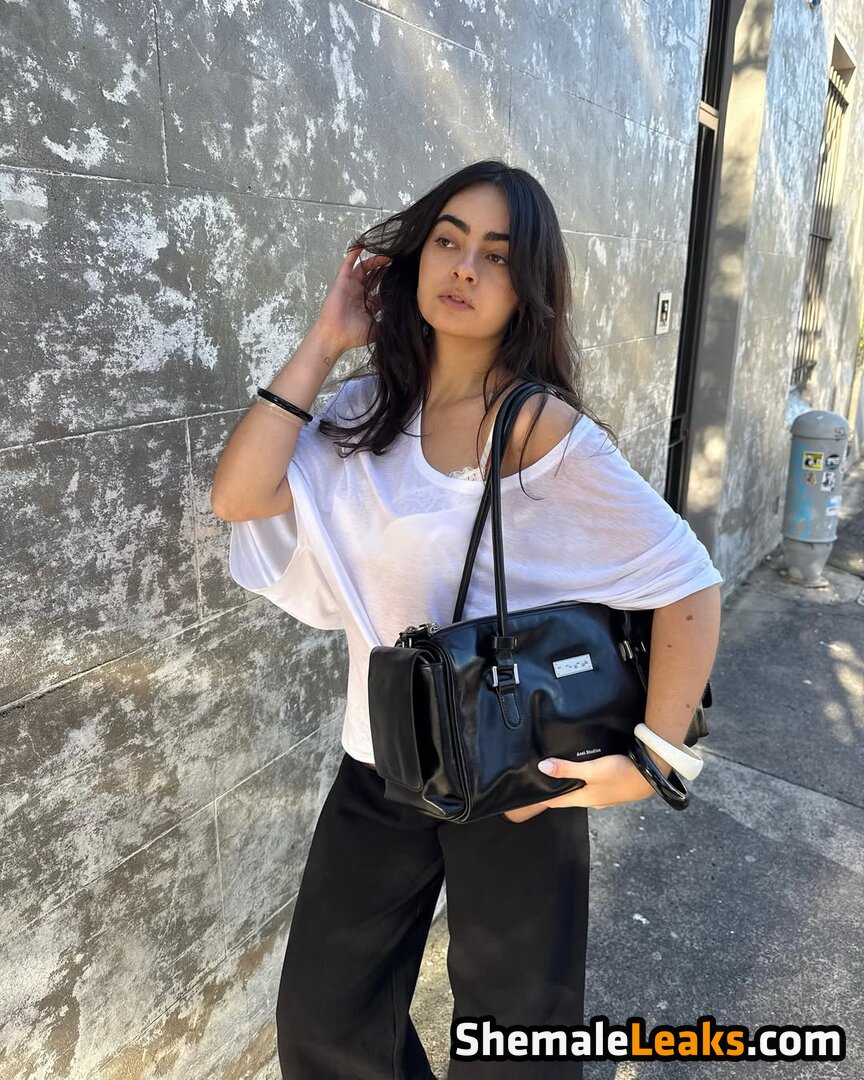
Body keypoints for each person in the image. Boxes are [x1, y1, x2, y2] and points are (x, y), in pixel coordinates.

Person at [211, 159, 723, 1079]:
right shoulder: (367, 411)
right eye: (447, 241)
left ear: (527, 288)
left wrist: (656, 762)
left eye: (496, 254)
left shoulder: (539, 431)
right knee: (325, 1022)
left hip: (516, 776)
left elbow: (686, 580)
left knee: (514, 1044)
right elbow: (239, 497)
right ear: (415, 260)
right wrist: (327, 339)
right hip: (380, 766)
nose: (464, 267)